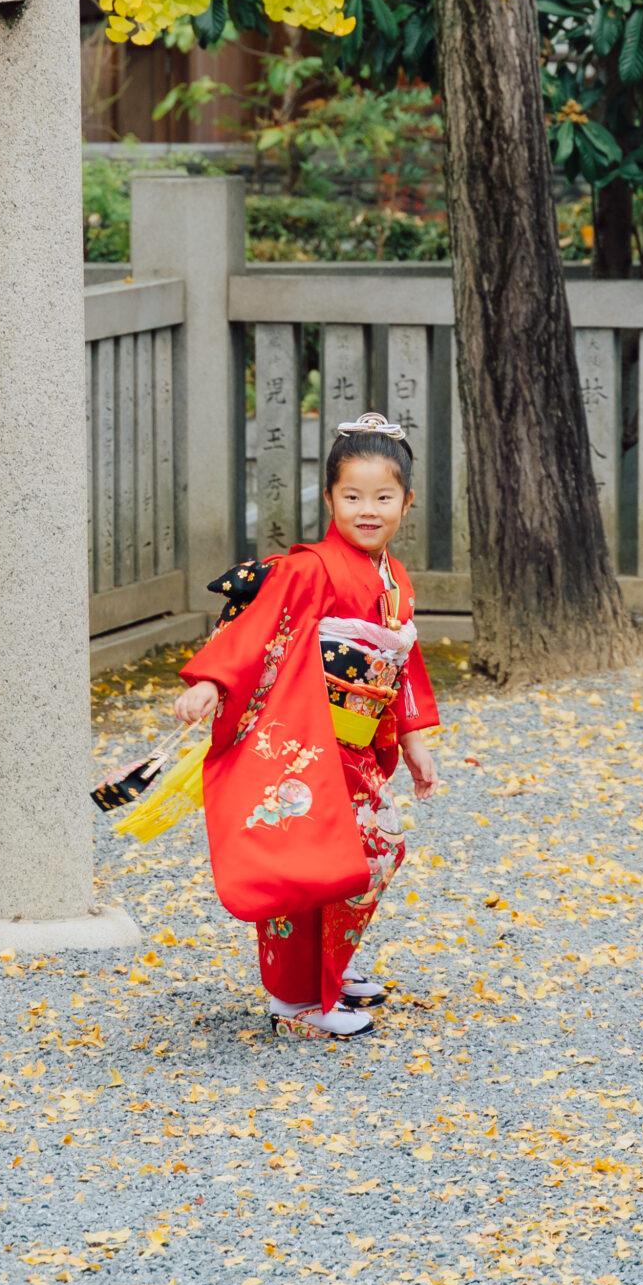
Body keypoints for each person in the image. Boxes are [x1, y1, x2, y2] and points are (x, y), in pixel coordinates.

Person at [172, 412, 439, 1038]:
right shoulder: (311, 568)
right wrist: (213, 681)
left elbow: (402, 663)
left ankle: (329, 967)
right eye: (351, 496)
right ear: (329, 498)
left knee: (372, 852)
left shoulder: (393, 577)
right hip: (311, 738)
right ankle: (295, 998)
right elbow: (255, 626)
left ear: (407, 500)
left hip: (356, 745)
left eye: (382, 497)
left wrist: (414, 739)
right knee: (327, 856)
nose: (366, 510)